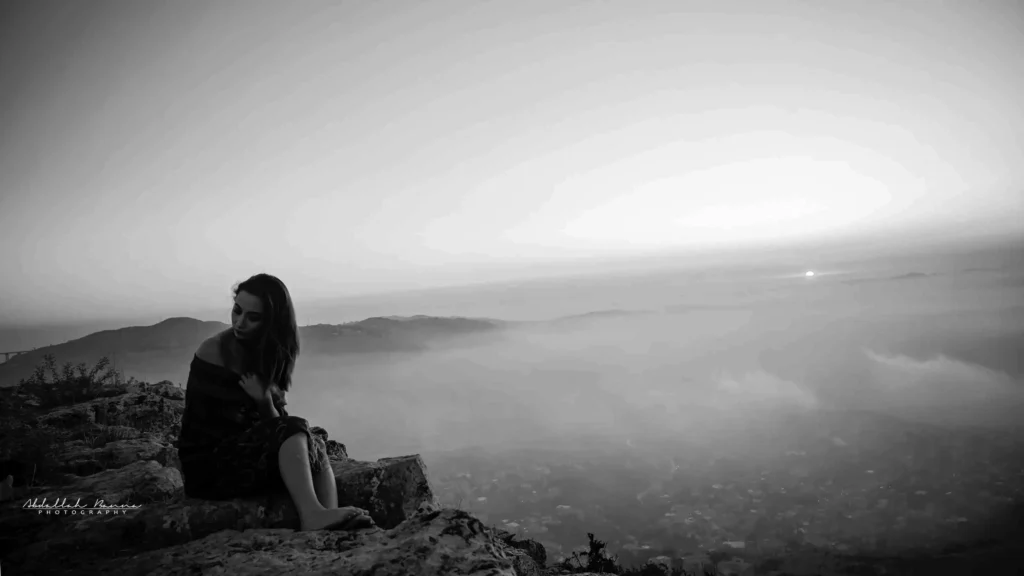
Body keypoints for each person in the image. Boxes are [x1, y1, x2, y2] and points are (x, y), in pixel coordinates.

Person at [176, 273, 374, 531]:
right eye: (237, 311)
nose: (240, 322)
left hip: (240, 455)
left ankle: (330, 516)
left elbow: (274, 426)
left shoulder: (270, 352)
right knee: (297, 427)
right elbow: (254, 429)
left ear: (272, 322)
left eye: (253, 317)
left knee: (314, 440)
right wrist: (264, 402)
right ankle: (312, 515)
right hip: (208, 467)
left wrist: (264, 400)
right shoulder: (214, 350)